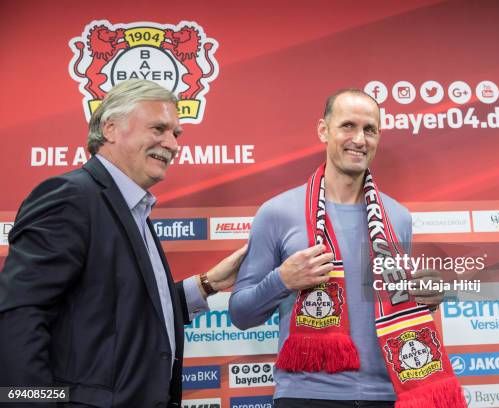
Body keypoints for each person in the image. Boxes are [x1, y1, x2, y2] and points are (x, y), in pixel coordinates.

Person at [0, 79, 246, 407]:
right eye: (158, 128)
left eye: (176, 134)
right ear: (111, 128)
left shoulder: (133, 207)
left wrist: (207, 284)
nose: (172, 144)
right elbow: (19, 315)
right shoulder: (72, 198)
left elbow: (123, 312)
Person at [229, 89, 465, 407]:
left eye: (370, 130)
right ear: (323, 130)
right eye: (348, 126)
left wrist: (426, 298)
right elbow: (241, 313)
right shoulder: (277, 212)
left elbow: (388, 302)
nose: (360, 139)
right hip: (307, 394)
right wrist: (283, 280)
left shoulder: (398, 217)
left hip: (387, 395)